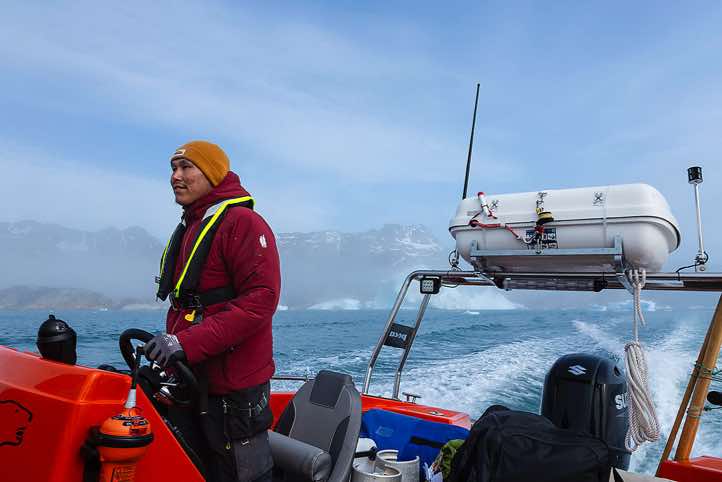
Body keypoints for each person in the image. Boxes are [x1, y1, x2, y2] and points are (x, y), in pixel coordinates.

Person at [145, 140, 280, 481]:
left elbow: (260, 300)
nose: (176, 176)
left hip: (233, 389)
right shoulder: (194, 225)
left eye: (186, 167)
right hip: (195, 379)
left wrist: (185, 344)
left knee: (241, 474)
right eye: (173, 168)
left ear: (212, 173)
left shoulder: (243, 224)